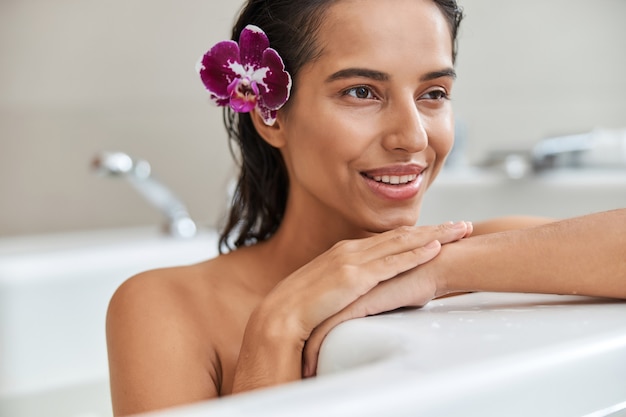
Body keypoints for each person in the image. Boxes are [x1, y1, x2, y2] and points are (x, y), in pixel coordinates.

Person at [105, 0, 626, 415]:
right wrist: (275, 328)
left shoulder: (481, 256)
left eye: (434, 92)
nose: (412, 136)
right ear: (271, 117)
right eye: (361, 91)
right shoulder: (169, 308)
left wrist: (436, 270)